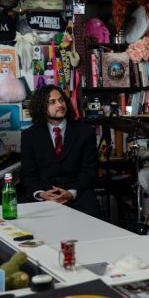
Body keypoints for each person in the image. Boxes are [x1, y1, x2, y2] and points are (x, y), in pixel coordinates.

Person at [21, 85, 100, 217]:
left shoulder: (85, 132)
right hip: (45, 194)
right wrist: (40, 193)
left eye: (61, 100)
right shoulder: (29, 136)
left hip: (77, 193)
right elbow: (28, 174)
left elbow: (89, 170)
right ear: (42, 107)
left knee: (93, 214)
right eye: (52, 102)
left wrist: (71, 192)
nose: (59, 105)